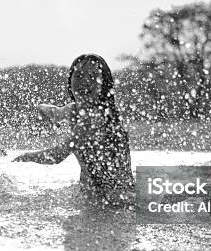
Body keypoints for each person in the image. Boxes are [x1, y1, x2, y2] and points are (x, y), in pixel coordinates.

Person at [13, 54, 134, 207]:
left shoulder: (95, 117)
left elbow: (57, 156)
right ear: (70, 81)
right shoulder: (74, 110)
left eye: (93, 76)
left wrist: (25, 157)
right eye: (79, 75)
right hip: (94, 200)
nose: (84, 82)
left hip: (117, 203)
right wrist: (38, 108)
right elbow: (55, 113)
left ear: (104, 84)